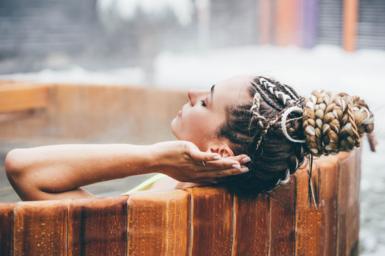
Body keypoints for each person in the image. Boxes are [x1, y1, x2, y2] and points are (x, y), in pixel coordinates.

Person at [4, 75, 375, 201]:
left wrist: (154, 157)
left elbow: (22, 169)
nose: (190, 93)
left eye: (206, 101)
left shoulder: (162, 208)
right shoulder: (200, 190)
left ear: (219, 151)